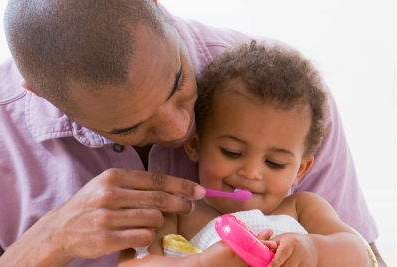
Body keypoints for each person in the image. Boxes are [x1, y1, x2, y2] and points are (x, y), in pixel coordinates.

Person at [0, 0, 384, 266]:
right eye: (130, 126)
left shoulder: (281, 101)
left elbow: (361, 254)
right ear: (42, 94)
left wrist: (314, 252)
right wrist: (53, 240)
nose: (181, 129)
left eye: (178, 84)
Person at [118, 41, 377, 267]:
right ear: (195, 145)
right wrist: (201, 263)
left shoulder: (302, 208)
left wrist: (313, 251)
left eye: (274, 163)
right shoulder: (177, 211)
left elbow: (358, 253)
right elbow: (133, 263)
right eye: (232, 152)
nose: (251, 173)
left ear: (299, 170)